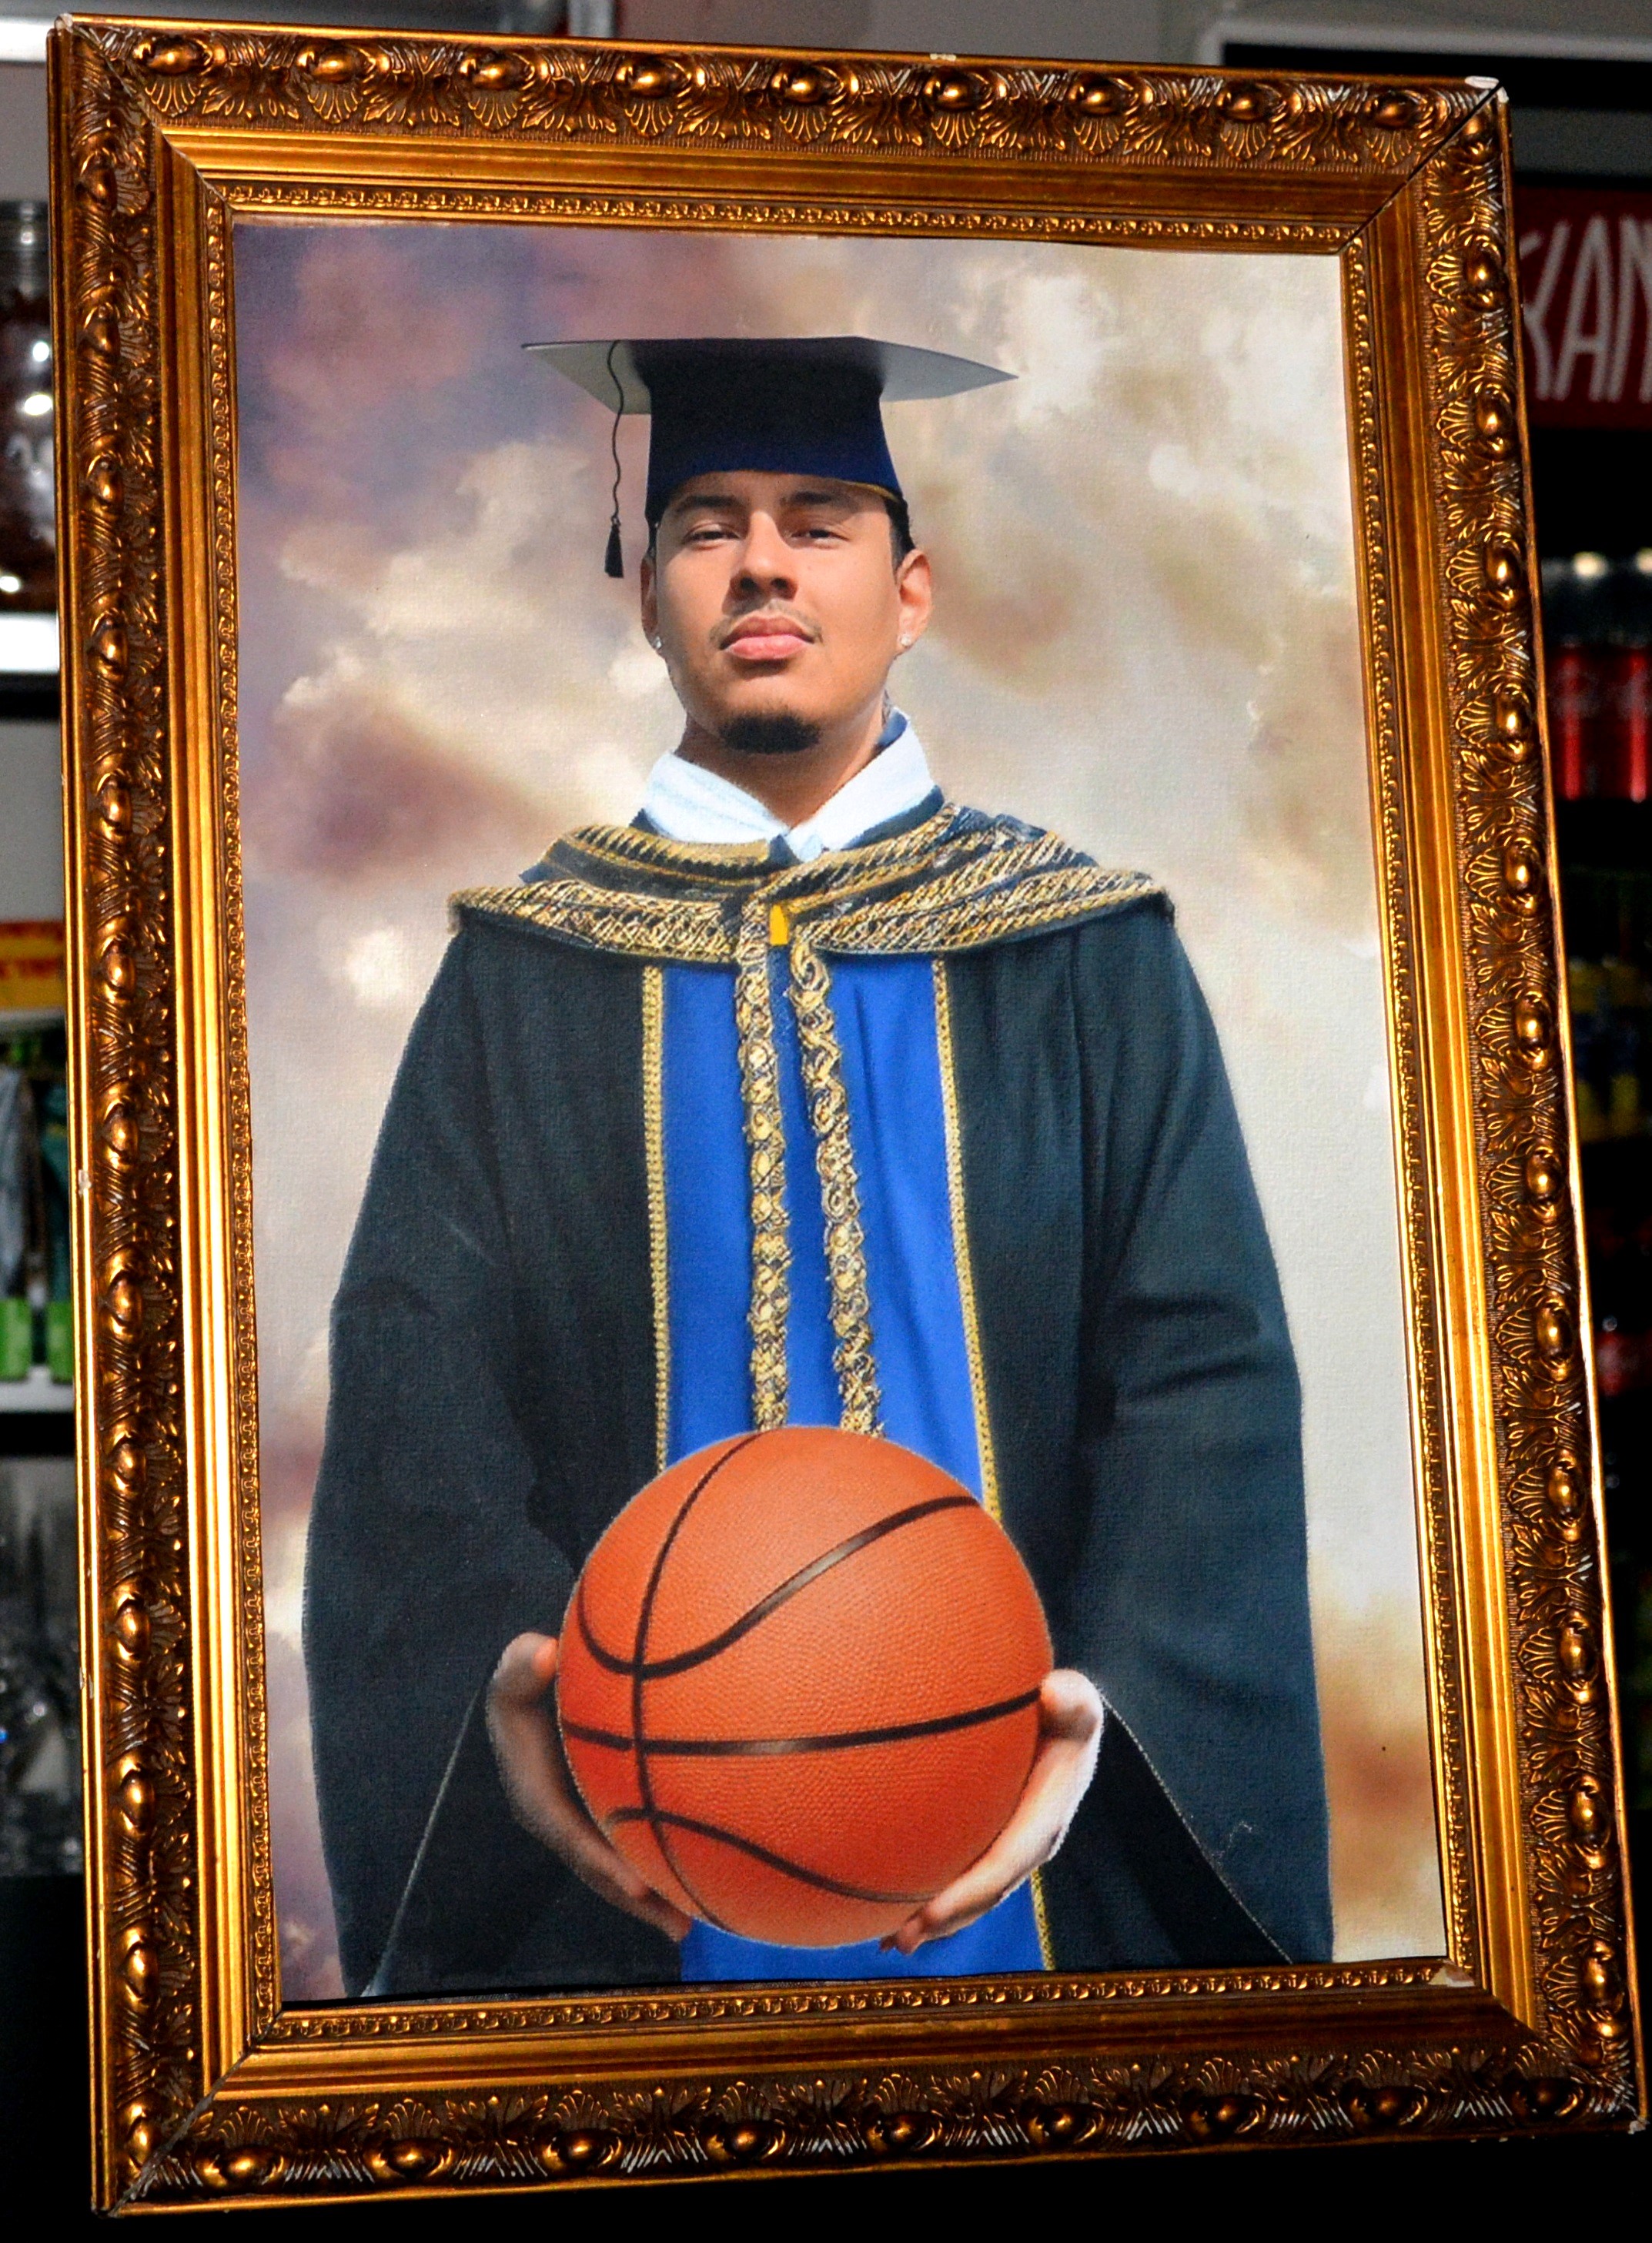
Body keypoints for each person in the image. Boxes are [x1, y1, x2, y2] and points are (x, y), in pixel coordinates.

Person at [304, 336, 1332, 1997]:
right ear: (648, 600)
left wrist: (1110, 1703)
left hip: (1021, 1843)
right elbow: (418, 1390)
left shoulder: (1081, 952)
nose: (761, 562)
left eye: (818, 520)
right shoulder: (529, 972)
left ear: (909, 591)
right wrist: (518, 1671)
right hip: (641, 1840)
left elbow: (1200, 1380)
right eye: (705, 523)